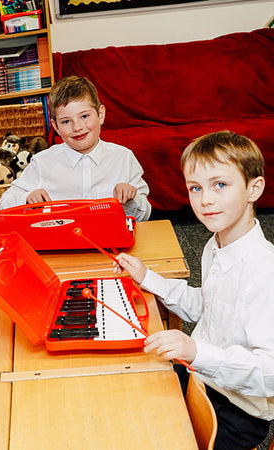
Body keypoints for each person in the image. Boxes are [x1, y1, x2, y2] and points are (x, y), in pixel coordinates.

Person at [115, 131, 274, 449]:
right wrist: (148, 278)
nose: (206, 200)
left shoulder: (264, 272)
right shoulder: (216, 245)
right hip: (203, 378)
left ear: (254, 188)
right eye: (195, 188)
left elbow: (268, 373)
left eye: (220, 185)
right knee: (125, 394)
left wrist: (197, 352)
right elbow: (210, 306)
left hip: (237, 414)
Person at [0, 76, 151, 221]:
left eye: (84, 116)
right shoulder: (42, 162)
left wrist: (132, 198)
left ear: (100, 114)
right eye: (66, 122)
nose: (77, 127)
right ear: (56, 126)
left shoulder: (123, 157)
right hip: (60, 242)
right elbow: (3, 204)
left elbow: (145, 215)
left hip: (112, 243)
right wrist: (27, 198)